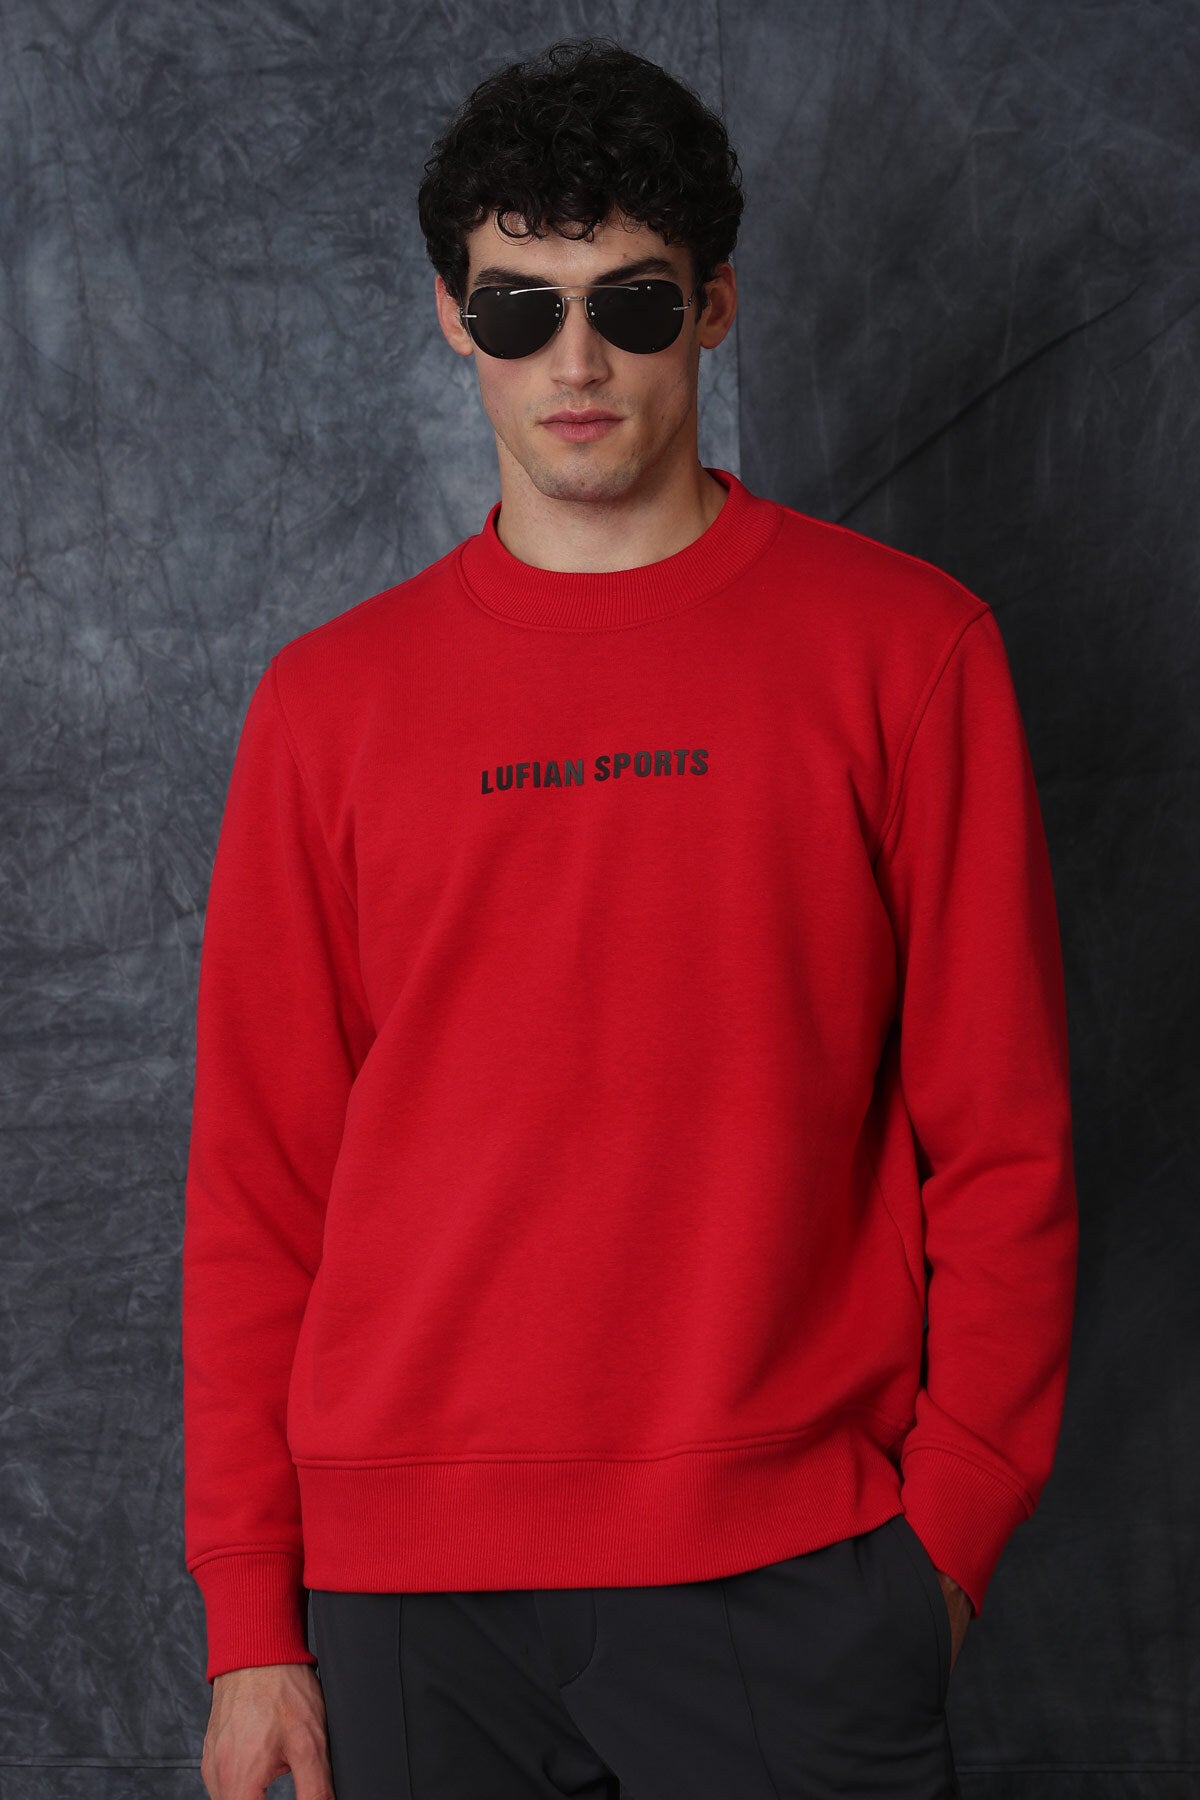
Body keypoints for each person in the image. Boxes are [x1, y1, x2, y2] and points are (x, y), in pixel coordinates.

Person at [183, 35, 1078, 1800]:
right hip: (406, 1591)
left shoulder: (908, 653)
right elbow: (260, 1187)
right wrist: (250, 1620)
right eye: (519, 309)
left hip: (793, 1570)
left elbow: (1004, 1140)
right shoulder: (327, 706)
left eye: (632, 303)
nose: (574, 362)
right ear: (454, 321)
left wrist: (948, 1539)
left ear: (715, 304)